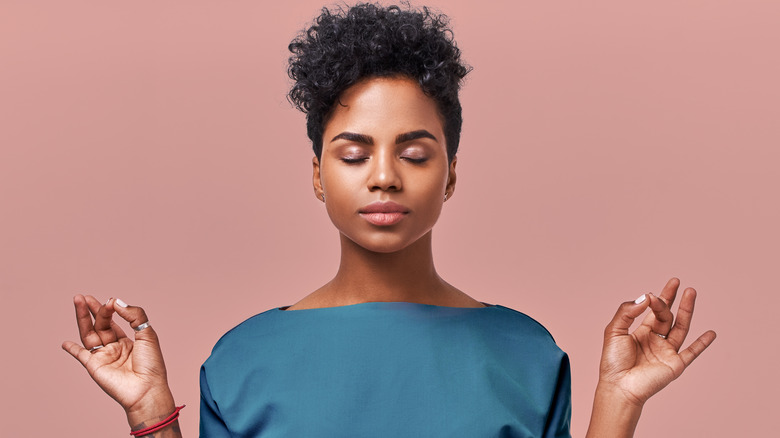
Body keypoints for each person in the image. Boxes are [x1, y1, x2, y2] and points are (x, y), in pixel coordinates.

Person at [61, 3, 716, 437]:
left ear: (451, 174)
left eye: (414, 152)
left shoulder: (528, 355)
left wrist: (618, 402)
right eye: (353, 153)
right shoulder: (241, 361)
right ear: (317, 175)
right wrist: (150, 409)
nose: (383, 175)